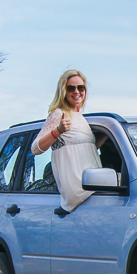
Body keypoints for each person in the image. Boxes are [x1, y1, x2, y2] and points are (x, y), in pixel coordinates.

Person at [32, 69, 102, 213]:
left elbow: (86, 150)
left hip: (92, 183)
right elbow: (35, 149)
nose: (77, 92)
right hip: (79, 188)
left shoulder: (81, 117)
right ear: (63, 91)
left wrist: (104, 138)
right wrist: (57, 131)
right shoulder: (59, 114)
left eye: (80, 87)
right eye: (71, 88)